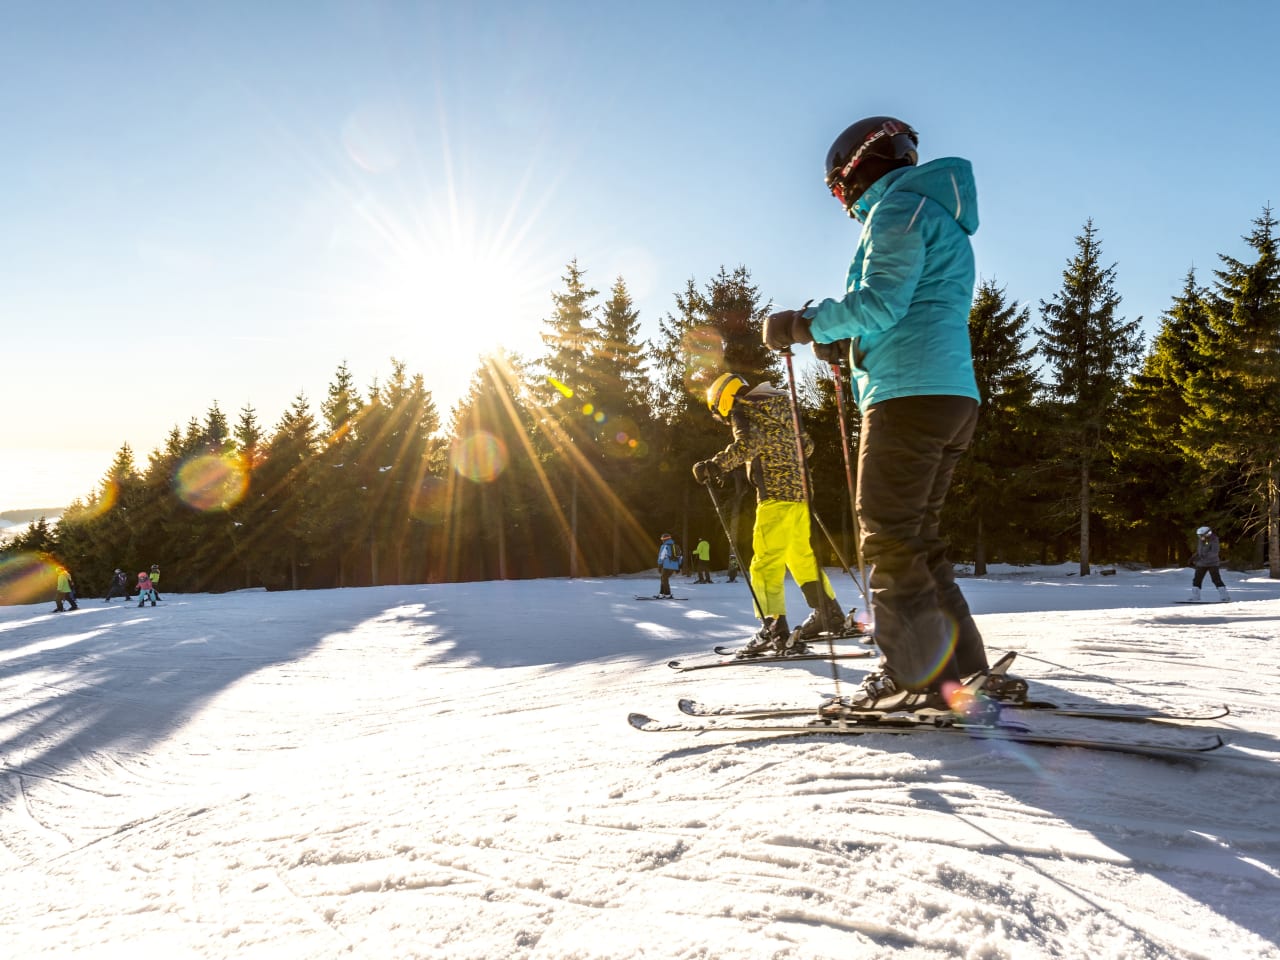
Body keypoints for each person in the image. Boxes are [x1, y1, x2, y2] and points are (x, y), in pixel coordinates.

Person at [764, 115, 997, 711]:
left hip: (908, 397)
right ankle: (963, 670)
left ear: (858, 168)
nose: (842, 203)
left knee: (890, 540)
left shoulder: (898, 211)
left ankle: (912, 675)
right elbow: (914, 305)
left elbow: (883, 302)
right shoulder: (935, 213)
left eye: (838, 189)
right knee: (918, 541)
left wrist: (804, 323)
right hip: (946, 393)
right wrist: (848, 344)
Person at [693, 373, 847, 656]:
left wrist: (714, 466)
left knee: (764, 564)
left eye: (721, 413)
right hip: (801, 495)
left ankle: (774, 630)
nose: (726, 419)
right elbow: (807, 446)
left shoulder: (744, 409)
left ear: (723, 399)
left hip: (774, 496)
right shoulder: (781, 406)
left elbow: (747, 445)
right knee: (799, 556)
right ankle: (829, 613)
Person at [1190, 526, 1229, 601]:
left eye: (1201, 535)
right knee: (1197, 579)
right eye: (1199, 535)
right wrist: (1193, 557)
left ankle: (1224, 596)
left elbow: (1214, 552)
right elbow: (1200, 551)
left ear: (1207, 534)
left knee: (1216, 579)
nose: (1200, 537)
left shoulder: (1214, 540)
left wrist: (1202, 557)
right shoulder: (1201, 540)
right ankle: (1195, 596)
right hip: (1201, 564)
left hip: (1213, 563)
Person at [656, 533, 680, 599]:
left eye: (662, 539)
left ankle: (667, 594)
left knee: (664, 579)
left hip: (667, 565)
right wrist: (678, 567)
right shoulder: (675, 546)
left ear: (664, 539)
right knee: (663, 579)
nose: (662, 541)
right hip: (673, 566)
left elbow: (661, 557)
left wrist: (659, 565)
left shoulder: (664, 546)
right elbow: (680, 557)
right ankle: (662, 594)